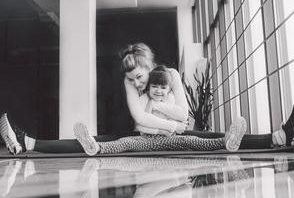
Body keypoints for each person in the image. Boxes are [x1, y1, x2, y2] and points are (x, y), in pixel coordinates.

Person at [0, 42, 294, 155]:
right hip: (143, 134)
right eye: (130, 80)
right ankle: (27, 142)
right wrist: (167, 121)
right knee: (100, 140)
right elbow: (140, 120)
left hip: (174, 132)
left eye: (139, 78)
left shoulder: (173, 77)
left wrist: (159, 107)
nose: (135, 83)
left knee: (212, 136)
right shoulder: (131, 85)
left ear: (151, 67)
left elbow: (184, 115)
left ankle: (278, 137)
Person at [73, 65, 247, 155]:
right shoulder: (143, 99)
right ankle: (95, 147)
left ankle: (226, 142)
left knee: (194, 141)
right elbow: (141, 126)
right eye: (154, 86)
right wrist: (167, 128)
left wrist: (165, 118)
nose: (158, 91)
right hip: (147, 140)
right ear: (148, 88)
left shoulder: (170, 100)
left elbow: (182, 120)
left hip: (170, 140)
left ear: (168, 89)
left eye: (162, 88)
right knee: (124, 142)